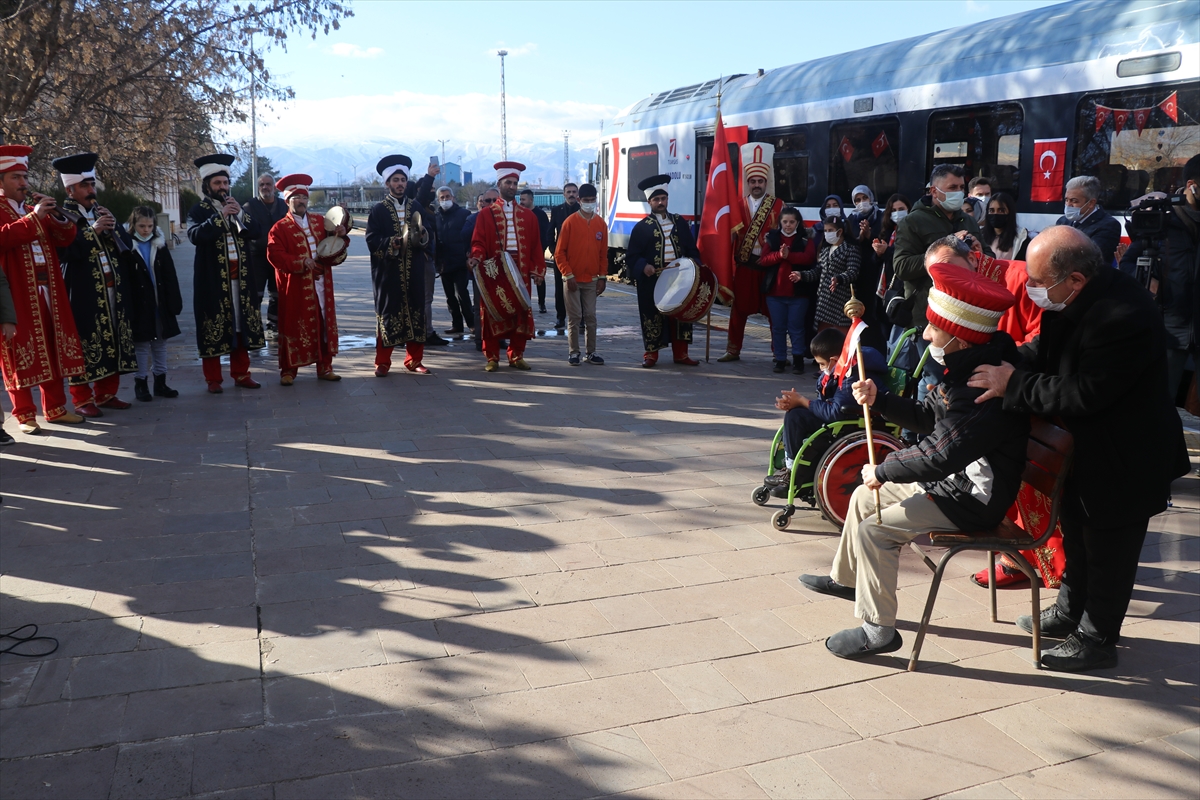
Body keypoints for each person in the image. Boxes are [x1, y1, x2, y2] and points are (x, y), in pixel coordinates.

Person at [969, 226, 1190, 672]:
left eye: (1038, 282)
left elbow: (1086, 391)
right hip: (1083, 450)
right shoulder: (1069, 298)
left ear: (1075, 279)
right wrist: (1008, 360)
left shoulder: (1123, 313)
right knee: (1077, 532)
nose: (1032, 290)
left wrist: (1014, 384)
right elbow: (1045, 352)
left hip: (1127, 454)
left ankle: (1097, 638)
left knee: (1109, 548)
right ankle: (1069, 612)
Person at [800, 264, 1027, 658]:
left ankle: (878, 632)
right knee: (862, 499)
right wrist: (880, 399)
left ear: (957, 336)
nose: (925, 335)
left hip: (971, 498)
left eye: (933, 329)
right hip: (953, 483)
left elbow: (940, 455)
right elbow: (927, 416)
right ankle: (849, 580)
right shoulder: (962, 366)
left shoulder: (977, 386)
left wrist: (882, 469)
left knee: (875, 531)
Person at [0, 145, 86, 434]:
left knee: (52, 344)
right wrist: (35, 217)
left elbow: (64, 238)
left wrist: (58, 215)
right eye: (15, 177)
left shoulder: (29, 209)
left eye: (24, 176)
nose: (24, 183)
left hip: (48, 288)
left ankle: (56, 408)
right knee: (18, 351)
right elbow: (4, 239)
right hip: (17, 292)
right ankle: (24, 414)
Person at [53, 152, 137, 415]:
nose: (91, 190)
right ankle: (81, 399)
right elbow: (64, 252)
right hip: (82, 290)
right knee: (85, 340)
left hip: (113, 288)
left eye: (92, 184)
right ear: (70, 189)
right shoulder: (61, 214)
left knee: (112, 336)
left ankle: (106, 393)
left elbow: (127, 246)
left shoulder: (100, 211)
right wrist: (93, 232)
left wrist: (115, 229)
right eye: (85, 186)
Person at [765, 327, 889, 492]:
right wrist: (795, 403)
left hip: (853, 420)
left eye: (822, 364)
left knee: (797, 418)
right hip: (842, 414)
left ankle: (794, 473)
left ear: (834, 360)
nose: (821, 368)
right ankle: (791, 468)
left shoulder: (852, 375)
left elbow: (836, 411)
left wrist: (803, 401)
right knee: (795, 415)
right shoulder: (838, 370)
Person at [1119, 153, 1200, 402]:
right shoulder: (1160, 220)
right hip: (1170, 328)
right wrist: (1148, 283)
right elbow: (1128, 262)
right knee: (1159, 400)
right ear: (1192, 185)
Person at [187, 154, 265, 393]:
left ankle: (241, 374)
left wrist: (239, 214)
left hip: (240, 280)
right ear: (207, 186)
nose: (222, 187)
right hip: (212, 280)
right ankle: (213, 379)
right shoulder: (198, 210)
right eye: (217, 184)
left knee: (241, 326)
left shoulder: (237, 206)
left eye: (225, 183)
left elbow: (255, 231)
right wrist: (219, 218)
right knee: (213, 326)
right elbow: (194, 235)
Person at [267, 174, 348, 385]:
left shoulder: (320, 221)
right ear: (288, 201)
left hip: (322, 283)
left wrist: (341, 232)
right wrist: (301, 262)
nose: (301, 201)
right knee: (293, 325)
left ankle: (325, 367)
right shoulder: (279, 228)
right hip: (295, 286)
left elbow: (335, 243)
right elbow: (275, 255)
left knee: (324, 322)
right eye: (297, 198)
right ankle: (288, 370)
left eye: (304, 197)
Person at [893, 164, 993, 333]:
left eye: (961, 187)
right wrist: (945, 249)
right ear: (934, 191)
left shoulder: (968, 220)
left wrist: (979, 254)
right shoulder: (912, 222)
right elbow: (902, 267)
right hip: (929, 317)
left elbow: (990, 258)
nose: (959, 192)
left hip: (966, 313)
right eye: (952, 187)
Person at [469, 161, 546, 372]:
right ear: (500, 183)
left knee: (521, 311)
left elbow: (535, 246)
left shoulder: (529, 216)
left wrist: (538, 270)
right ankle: (492, 356)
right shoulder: (486, 214)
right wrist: (476, 257)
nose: (512, 186)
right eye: (508, 182)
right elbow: (478, 242)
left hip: (520, 271)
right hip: (495, 272)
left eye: (515, 183)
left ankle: (516, 355)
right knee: (493, 311)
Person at [366, 155, 434, 376]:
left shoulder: (416, 206)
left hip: (414, 269)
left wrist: (424, 235)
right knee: (388, 314)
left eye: (403, 180)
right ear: (387, 183)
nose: (400, 184)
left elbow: (428, 233)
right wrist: (390, 243)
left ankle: (414, 360)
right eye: (395, 180)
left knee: (417, 312)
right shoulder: (378, 210)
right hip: (388, 273)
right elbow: (371, 239)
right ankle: (383, 362)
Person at [627, 174, 701, 368]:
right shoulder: (641, 228)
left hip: (680, 278)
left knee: (681, 315)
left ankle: (681, 354)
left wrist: (696, 266)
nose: (661, 202)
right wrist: (644, 266)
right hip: (653, 280)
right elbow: (632, 256)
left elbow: (692, 249)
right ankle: (651, 354)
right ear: (649, 202)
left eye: (663, 199)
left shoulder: (679, 222)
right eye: (656, 199)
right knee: (651, 315)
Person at [719, 144, 782, 362]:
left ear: (766, 183)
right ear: (748, 183)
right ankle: (733, 350)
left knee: (773, 312)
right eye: (753, 182)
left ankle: (778, 352)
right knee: (738, 311)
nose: (756, 185)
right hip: (746, 266)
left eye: (760, 181)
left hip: (768, 266)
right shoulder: (737, 206)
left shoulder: (779, 206)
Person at [125, 206, 182, 401]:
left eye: (149, 226)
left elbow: (170, 275)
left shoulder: (159, 244)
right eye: (141, 226)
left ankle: (161, 382)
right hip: (139, 305)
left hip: (160, 303)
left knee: (160, 343)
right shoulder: (126, 246)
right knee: (141, 345)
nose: (146, 230)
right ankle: (140, 383)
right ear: (133, 225)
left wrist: (174, 301)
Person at [554, 182, 607, 366]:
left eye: (592, 200)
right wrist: (568, 275)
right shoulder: (569, 223)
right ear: (579, 200)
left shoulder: (601, 224)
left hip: (592, 280)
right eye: (586, 200)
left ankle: (591, 352)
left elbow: (603, 254)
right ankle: (574, 352)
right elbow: (559, 253)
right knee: (574, 317)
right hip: (572, 279)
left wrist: (602, 277)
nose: (589, 203)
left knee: (591, 316)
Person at [758, 207, 817, 373]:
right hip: (774, 293)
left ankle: (798, 358)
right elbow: (764, 260)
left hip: (799, 293)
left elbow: (809, 258)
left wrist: (788, 255)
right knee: (778, 327)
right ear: (780, 223)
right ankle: (780, 359)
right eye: (785, 222)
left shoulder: (806, 238)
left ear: (797, 223)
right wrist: (779, 255)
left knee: (796, 327)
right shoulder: (772, 237)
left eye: (792, 222)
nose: (788, 225)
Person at [243, 172, 288, 339]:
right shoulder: (249, 207)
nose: (265, 187)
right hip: (256, 257)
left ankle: (273, 326)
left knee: (277, 293)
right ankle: (253, 329)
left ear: (274, 187)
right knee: (256, 294)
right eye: (261, 184)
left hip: (278, 258)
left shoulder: (284, 206)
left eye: (268, 184)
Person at [434, 186, 474, 336]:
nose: (445, 200)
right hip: (444, 264)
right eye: (442, 198)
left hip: (460, 262)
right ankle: (456, 324)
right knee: (450, 296)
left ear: (453, 198)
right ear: (438, 200)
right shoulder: (436, 217)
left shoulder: (464, 214)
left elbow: (470, 236)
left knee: (462, 294)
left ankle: (471, 323)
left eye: (447, 197)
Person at [812, 211, 860, 335]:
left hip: (840, 301)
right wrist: (801, 275)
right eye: (825, 230)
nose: (827, 233)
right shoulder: (825, 249)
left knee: (841, 338)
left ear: (840, 231)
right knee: (823, 339)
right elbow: (818, 271)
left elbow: (853, 272)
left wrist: (838, 278)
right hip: (824, 302)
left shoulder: (850, 249)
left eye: (830, 230)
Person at [463, 189, 499, 352]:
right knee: (479, 307)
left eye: (494, 200)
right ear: (482, 202)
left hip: (500, 269)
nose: (491, 204)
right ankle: (480, 338)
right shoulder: (473, 219)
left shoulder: (505, 219)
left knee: (500, 303)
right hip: (481, 267)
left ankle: (500, 337)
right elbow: (465, 240)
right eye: (488, 200)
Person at [1056, 175, 1121, 266]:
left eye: (1074, 201)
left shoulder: (1108, 225)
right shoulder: (1062, 222)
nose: (1068, 205)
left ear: (1091, 203)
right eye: (1066, 200)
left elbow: (1092, 259)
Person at [546, 182, 580, 329]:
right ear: (564, 194)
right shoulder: (557, 210)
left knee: (581, 287)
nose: (571, 194)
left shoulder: (582, 210)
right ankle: (561, 317)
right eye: (569, 192)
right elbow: (550, 232)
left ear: (577, 194)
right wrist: (554, 250)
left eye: (574, 192)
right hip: (561, 257)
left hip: (579, 256)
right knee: (560, 289)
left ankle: (582, 318)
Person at [519, 188, 553, 314]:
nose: (521, 202)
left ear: (531, 200)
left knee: (539, 277)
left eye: (523, 199)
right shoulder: (519, 214)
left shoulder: (540, 214)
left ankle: (541, 303)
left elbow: (545, 233)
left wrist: (540, 249)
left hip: (536, 251)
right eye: (520, 199)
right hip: (522, 252)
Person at [982, 192, 1033, 260]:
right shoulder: (980, 235)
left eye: (1001, 210)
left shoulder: (1021, 239)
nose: (995, 214)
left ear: (1010, 213)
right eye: (991, 210)